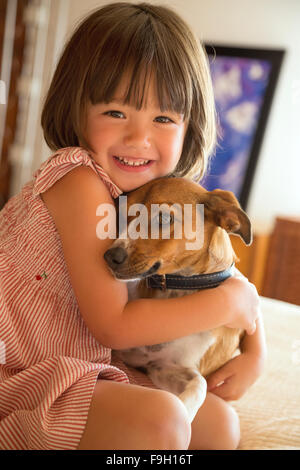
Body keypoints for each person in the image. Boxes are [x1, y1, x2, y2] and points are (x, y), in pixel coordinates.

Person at [0, 2, 266, 450]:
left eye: (163, 118)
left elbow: (217, 270)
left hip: (84, 365)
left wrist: (255, 350)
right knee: (162, 420)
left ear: (189, 127)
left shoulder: (148, 192)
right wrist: (227, 305)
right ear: (76, 108)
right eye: (116, 112)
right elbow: (115, 326)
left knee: (220, 425)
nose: (138, 138)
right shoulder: (79, 179)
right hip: (22, 370)